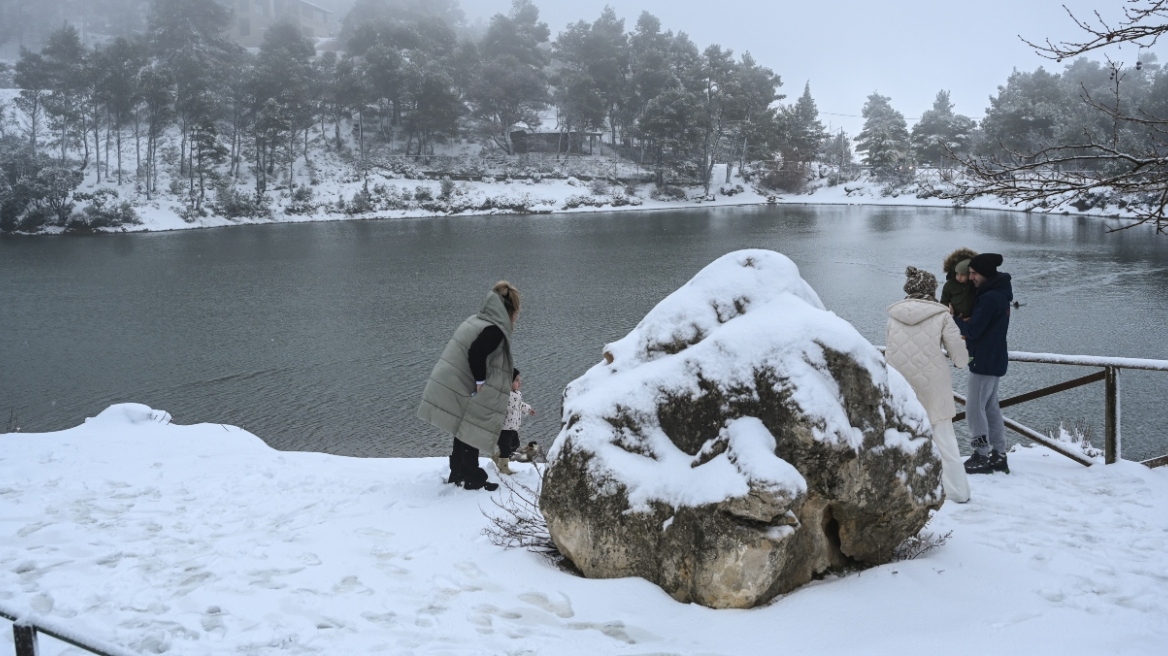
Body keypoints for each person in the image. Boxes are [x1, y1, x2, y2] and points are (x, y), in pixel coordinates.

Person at [418, 281, 522, 491]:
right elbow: (476, 352)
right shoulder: (494, 330)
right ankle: (471, 477)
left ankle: (458, 472)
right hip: (461, 381)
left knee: (462, 427)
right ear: (509, 311)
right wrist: (481, 383)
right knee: (471, 428)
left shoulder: (478, 320)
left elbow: (484, 356)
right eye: (516, 313)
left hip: (451, 378)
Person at [886, 266, 972, 503]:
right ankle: (958, 493)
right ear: (932, 290)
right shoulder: (942, 314)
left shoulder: (893, 314)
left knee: (903, 439)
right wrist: (963, 358)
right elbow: (960, 358)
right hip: (933, 385)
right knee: (944, 440)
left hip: (899, 386)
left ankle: (905, 492)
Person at [957, 253, 1013, 475]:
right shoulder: (999, 294)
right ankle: (998, 454)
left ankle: (981, 456)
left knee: (974, 409)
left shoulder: (990, 298)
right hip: (994, 358)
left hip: (984, 361)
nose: (971, 277)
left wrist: (952, 319)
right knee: (990, 408)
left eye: (974, 273)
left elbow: (973, 330)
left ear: (986, 274)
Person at [493, 368, 536, 475]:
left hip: (513, 427)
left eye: (519, 380)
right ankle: (503, 467)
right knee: (506, 448)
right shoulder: (504, 396)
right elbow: (509, 405)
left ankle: (497, 456)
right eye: (516, 381)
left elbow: (520, 404)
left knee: (515, 445)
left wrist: (528, 409)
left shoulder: (516, 394)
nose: (519, 383)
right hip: (503, 429)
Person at [940, 247, 978, 319]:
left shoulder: (975, 284)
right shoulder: (949, 285)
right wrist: (948, 311)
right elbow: (944, 301)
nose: (959, 277)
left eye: (963, 275)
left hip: (972, 319)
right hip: (954, 318)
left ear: (969, 274)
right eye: (957, 273)